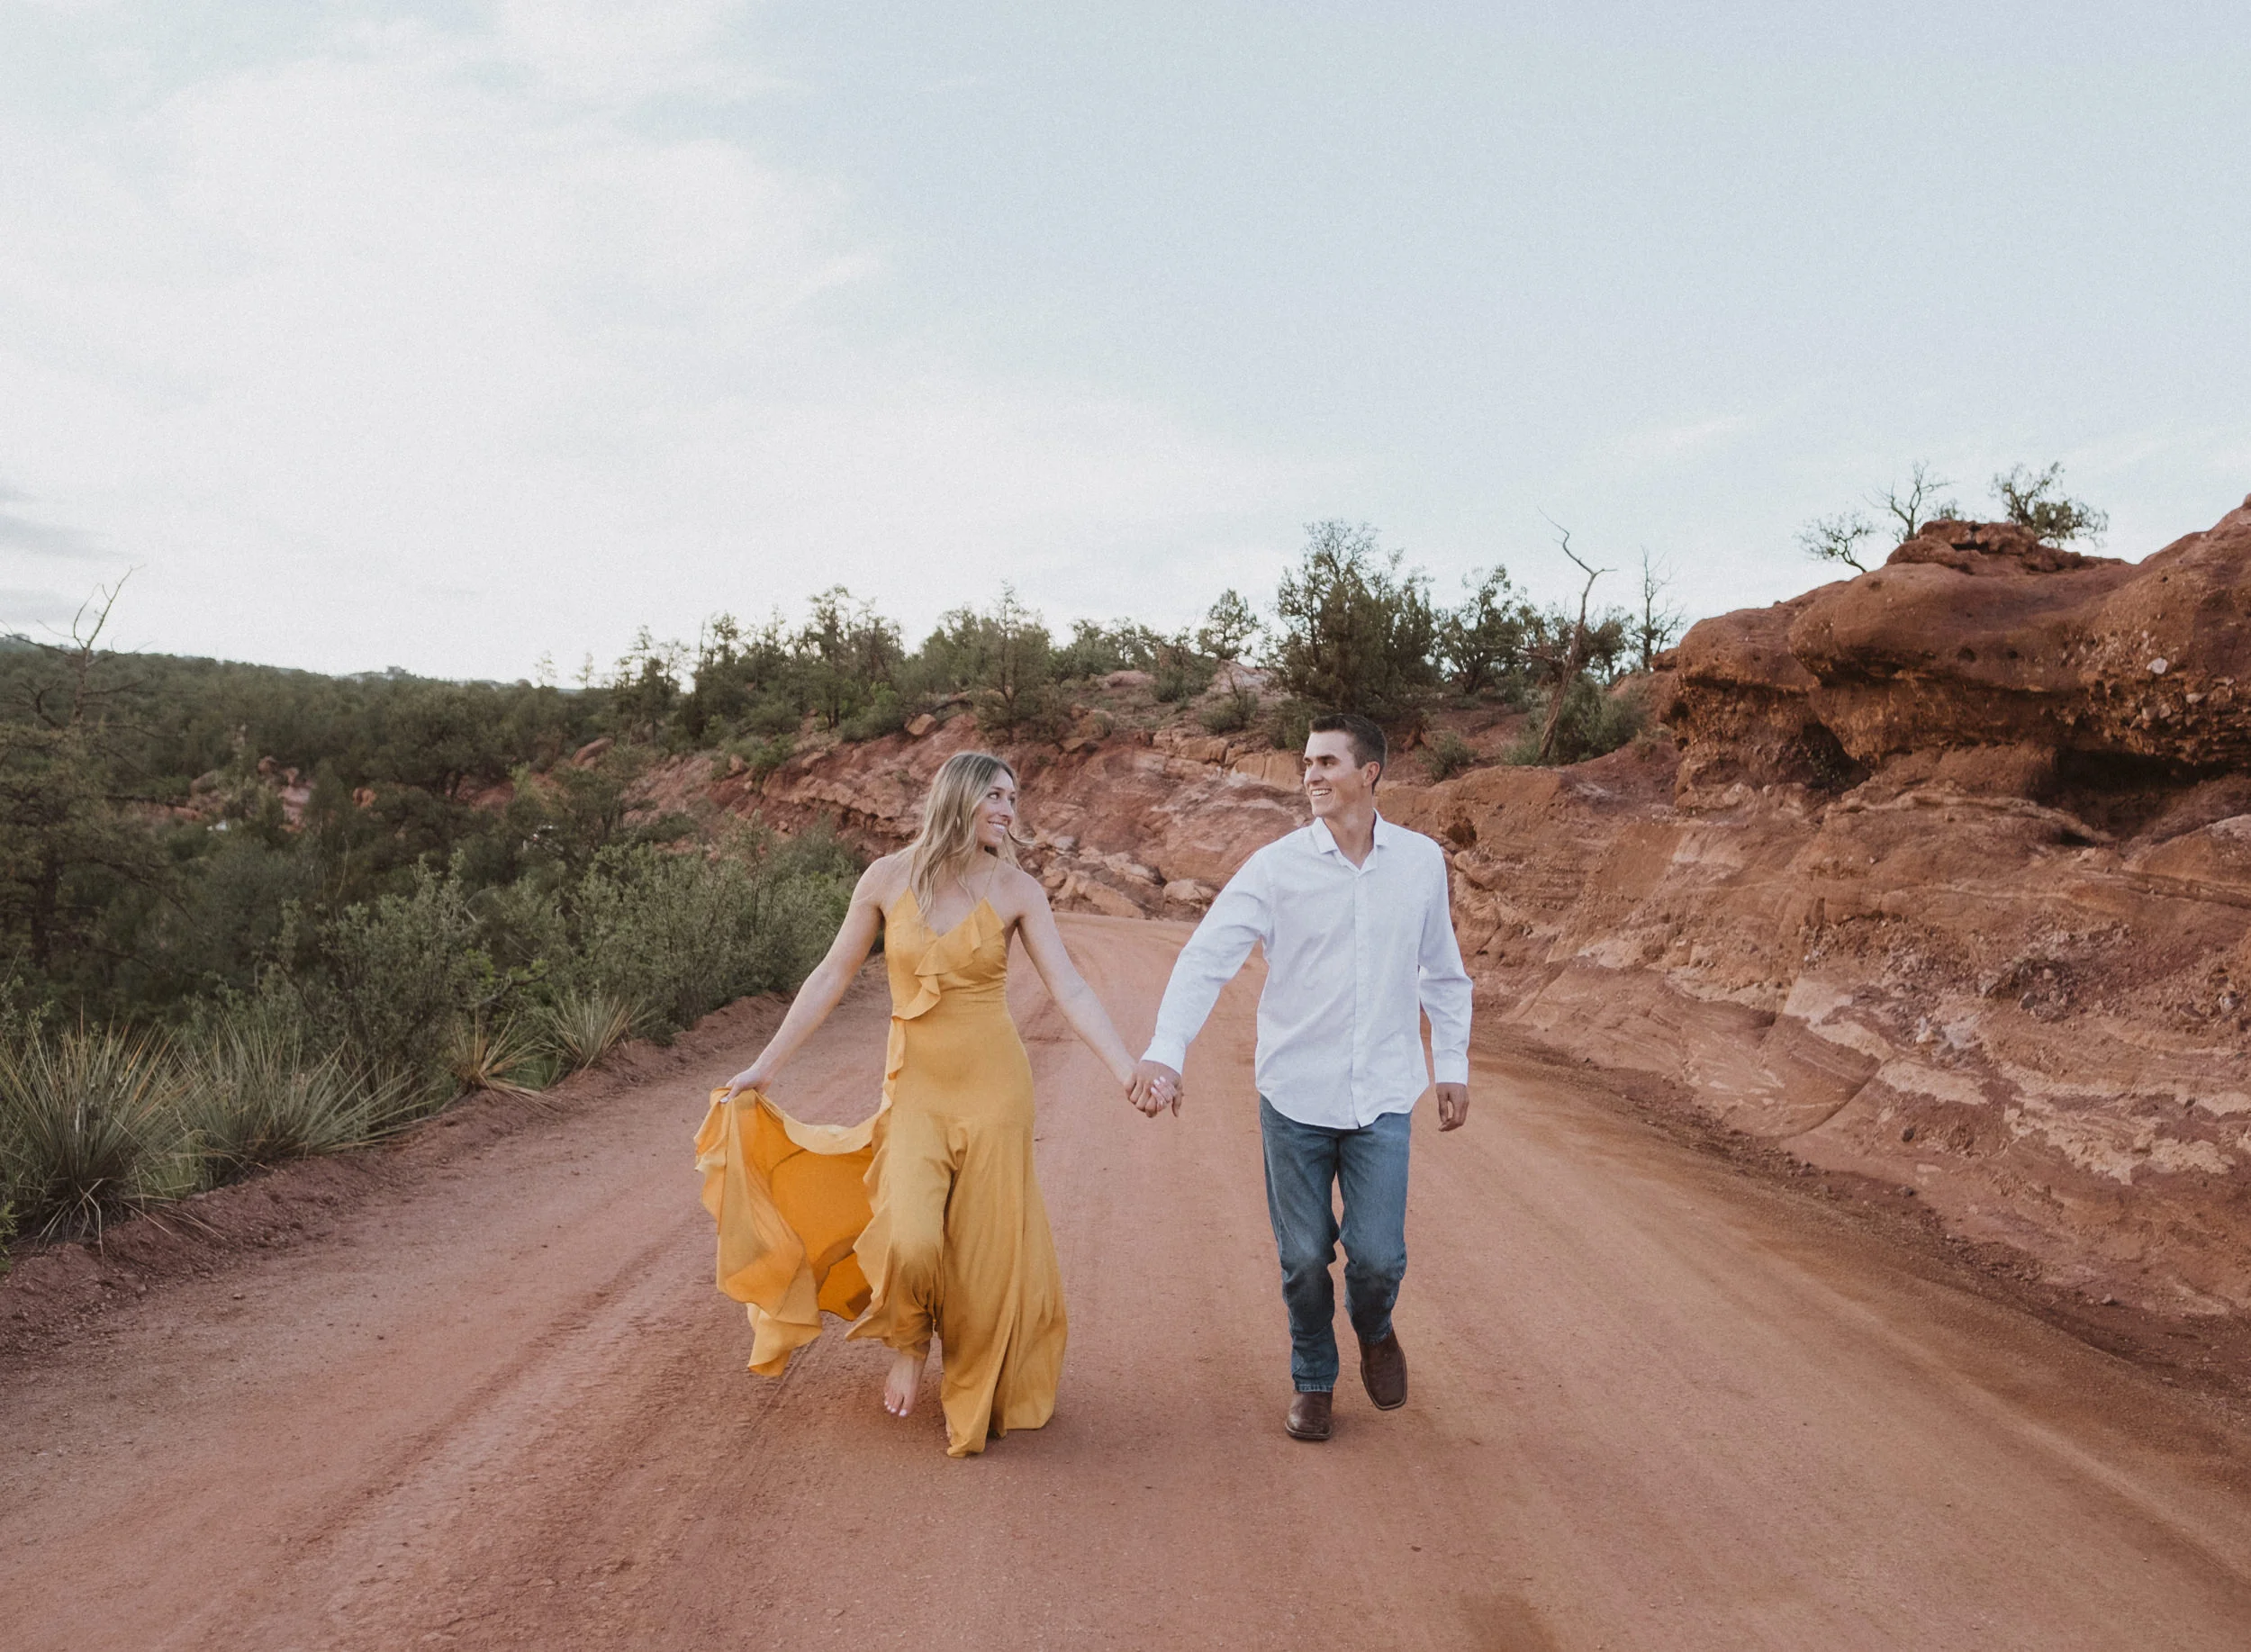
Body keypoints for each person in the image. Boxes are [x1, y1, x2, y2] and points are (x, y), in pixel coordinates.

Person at [697, 751, 1143, 1458]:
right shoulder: (885, 878)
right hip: (916, 1091)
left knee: (984, 1263)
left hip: (997, 1089)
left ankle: (973, 1384)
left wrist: (1125, 1068)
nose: (1008, 808)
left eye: (1013, 797)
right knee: (911, 1237)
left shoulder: (1018, 889)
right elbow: (831, 974)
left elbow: (1071, 988)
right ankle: (908, 1341)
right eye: (995, 794)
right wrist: (765, 1064)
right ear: (959, 797)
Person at [1130, 712, 1472, 1442]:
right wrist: (1167, 1048)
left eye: (1325, 762)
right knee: (1302, 1256)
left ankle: (1375, 1328)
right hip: (1295, 1095)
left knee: (1377, 1257)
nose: (1310, 774)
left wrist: (1454, 1064)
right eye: (1306, 763)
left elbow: (1444, 972)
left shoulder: (1419, 863)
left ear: (1369, 773)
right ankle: (1314, 1377)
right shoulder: (1275, 866)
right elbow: (1206, 957)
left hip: (1382, 1091)